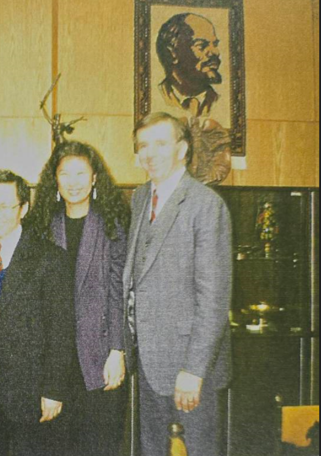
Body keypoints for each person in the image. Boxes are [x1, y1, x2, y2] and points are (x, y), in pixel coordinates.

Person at [124, 113, 233, 456]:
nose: (150, 153)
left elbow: (213, 299)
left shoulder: (206, 205)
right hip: (148, 363)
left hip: (190, 369)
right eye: (143, 145)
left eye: (161, 143)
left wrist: (194, 371)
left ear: (182, 149)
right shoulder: (141, 198)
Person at [29, 141, 131, 456]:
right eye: (65, 173)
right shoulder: (41, 226)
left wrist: (118, 350)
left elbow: (119, 291)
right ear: (55, 180)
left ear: (94, 177)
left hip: (100, 357)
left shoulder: (112, 224)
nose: (73, 182)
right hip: (53, 361)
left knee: (99, 446)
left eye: (81, 173)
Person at [0, 170, 76, 456]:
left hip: (30, 390)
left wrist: (53, 390)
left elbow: (61, 331)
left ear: (23, 209)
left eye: (5, 206)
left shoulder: (49, 258)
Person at [157, 13, 222, 118]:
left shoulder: (219, 101)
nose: (215, 52)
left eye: (215, 44)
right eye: (201, 46)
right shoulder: (157, 98)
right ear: (172, 53)